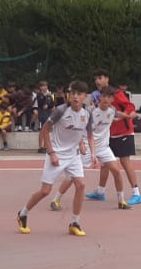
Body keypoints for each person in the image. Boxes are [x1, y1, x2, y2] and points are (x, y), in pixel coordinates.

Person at [19, 81, 92, 237]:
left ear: (85, 96)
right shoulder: (61, 110)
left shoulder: (87, 113)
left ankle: (74, 223)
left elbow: (85, 132)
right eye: (73, 93)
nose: (75, 97)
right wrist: (51, 152)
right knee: (45, 191)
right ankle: (23, 213)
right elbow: (45, 130)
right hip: (57, 154)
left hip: (73, 155)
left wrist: (88, 149)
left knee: (81, 185)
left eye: (79, 94)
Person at [79, 90, 130, 209]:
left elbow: (118, 114)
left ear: (113, 99)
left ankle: (121, 201)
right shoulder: (90, 111)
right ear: (100, 97)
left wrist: (128, 116)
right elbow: (79, 127)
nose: (106, 99)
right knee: (75, 174)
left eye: (109, 97)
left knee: (116, 171)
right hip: (87, 145)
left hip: (103, 148)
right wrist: (80, 143)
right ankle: (57, 198)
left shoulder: (112, 110)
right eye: (104, 96)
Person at [101, 74, 141, 204]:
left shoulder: (117, 93)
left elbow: (130, 106)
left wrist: (123, 117)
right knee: (105, 162)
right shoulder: (100, 95)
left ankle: (136, 193)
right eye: (96, 78)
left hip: (124, 132)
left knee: (125, 161)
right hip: (111, 133)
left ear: (107, 79)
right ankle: (100, 191)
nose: (97, 80)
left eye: (100, 78)